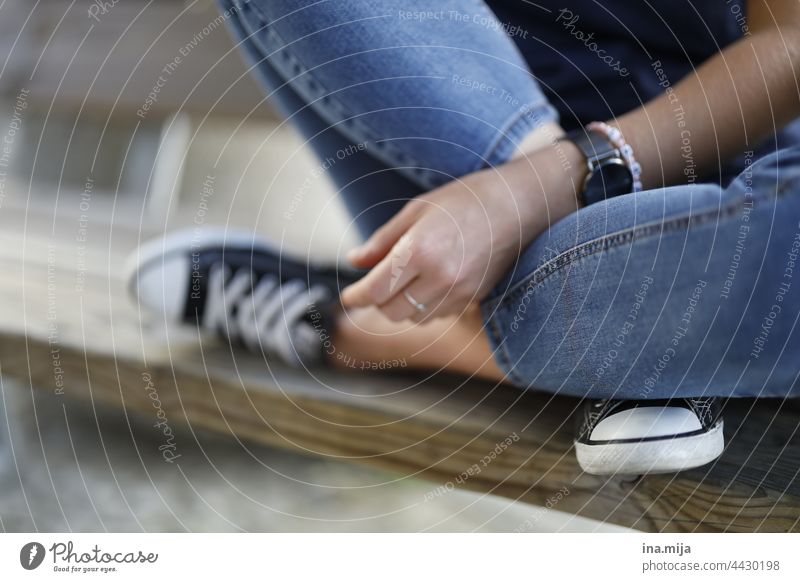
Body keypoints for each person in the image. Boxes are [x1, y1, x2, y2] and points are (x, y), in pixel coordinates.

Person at [127, 1, 800, 475]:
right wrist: (521, 190)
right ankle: (646, 327)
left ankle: (376, 328)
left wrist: (549, 184)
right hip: (470, 190)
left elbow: (789, 47)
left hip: (739, 166)